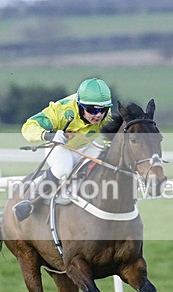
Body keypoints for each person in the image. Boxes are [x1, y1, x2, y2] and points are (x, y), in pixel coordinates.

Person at [13, 77, 113, 221]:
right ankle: (31, 200)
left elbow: (110, 138)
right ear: (79, 105)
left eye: (102, 110)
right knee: (63, 169)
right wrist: (50, 135)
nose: (98, 115)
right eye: (92, 110)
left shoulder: (106, 115)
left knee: (108, 163)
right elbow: (28, 127)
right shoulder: (61, 110)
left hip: (86, 147)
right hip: (60, 147)